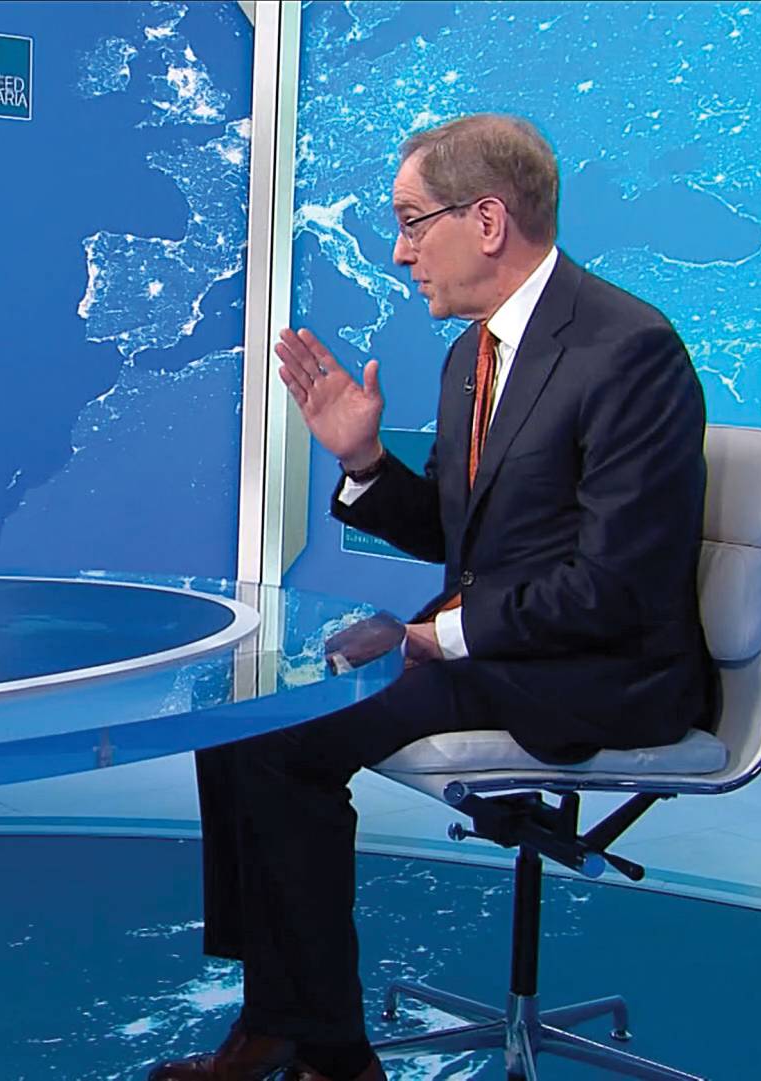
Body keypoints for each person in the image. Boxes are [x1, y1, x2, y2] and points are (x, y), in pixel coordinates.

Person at [146, 114, 715, 1081]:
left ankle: (324, 1052)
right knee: (241, 712)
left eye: (414, 222)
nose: (401, 251)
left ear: (487, 220)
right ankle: (283, 1017)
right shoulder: (472, 354)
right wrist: (363, 461)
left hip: (590, 672)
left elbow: (616, 587)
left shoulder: (628, 350)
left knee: (283, 739)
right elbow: (471, 531)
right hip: (502, 647)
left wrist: (436, 636)